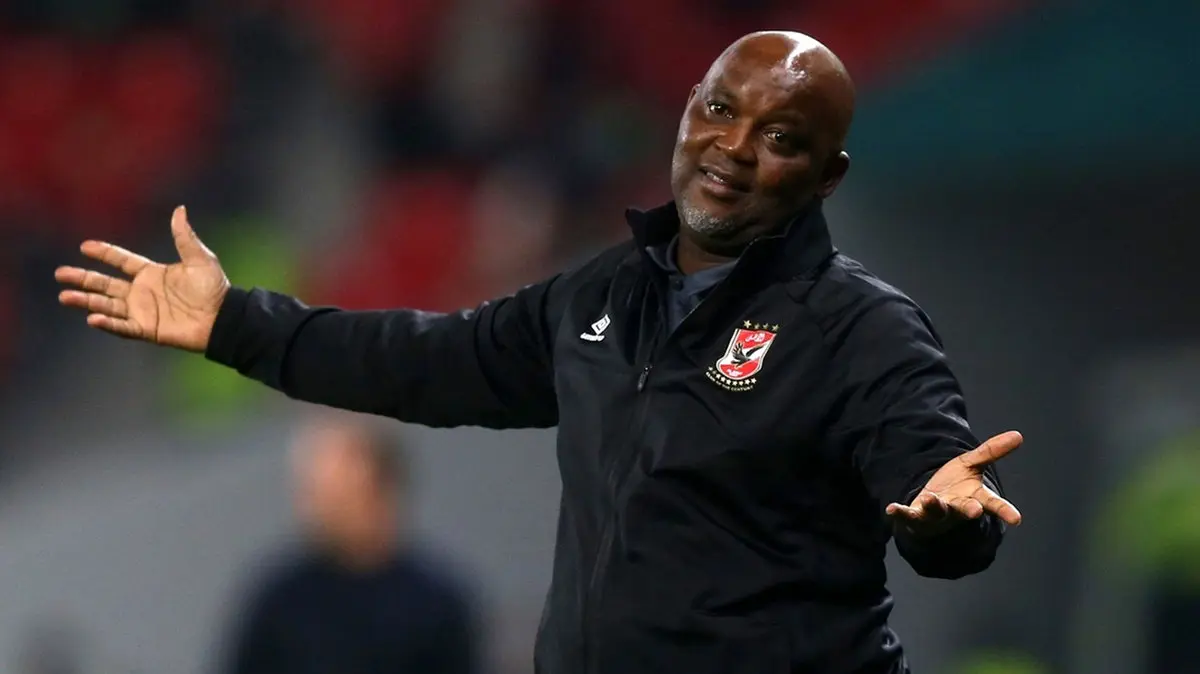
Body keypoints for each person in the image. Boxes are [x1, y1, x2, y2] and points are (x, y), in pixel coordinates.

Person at [56, 30, 1023, 674]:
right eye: (720, 111)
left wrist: (949, 522)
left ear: (827, 175)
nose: (733, 147)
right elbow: (426, 361)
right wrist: (234, 325)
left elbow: (935, 472)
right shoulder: (603, 295)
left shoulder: (861, 329)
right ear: (687, 110)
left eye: (779, 136)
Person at [217, 414, 479, 674]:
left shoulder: (435, 606)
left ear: (381, 490)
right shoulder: (280, 602)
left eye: (336, 494)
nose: (315, 509)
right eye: (313, 493)